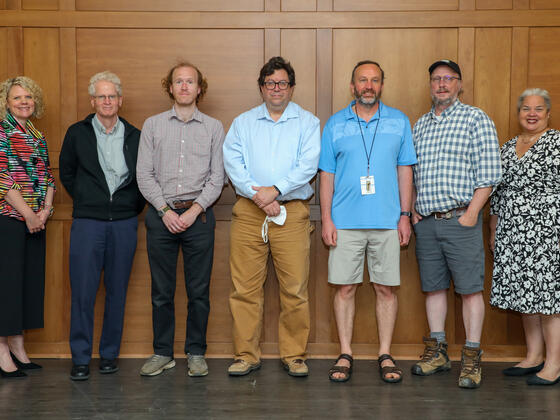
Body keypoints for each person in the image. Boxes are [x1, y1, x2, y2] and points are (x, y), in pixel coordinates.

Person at [223, 56, 320, 377]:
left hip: (291, 214)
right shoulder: (243, 122)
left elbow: (308, 165)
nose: (276, 89)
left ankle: (294, 355)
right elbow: (233, 164)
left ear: (291, 88)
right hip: (249, 213)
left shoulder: (308, 122)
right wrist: (259, 197)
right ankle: (246, 355)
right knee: (245, 290)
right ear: (261, 88)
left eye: (282, 83)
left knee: (294, 290)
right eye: (270, 83)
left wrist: (275, 190)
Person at [320, 60, 416, 383]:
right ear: (353, 86)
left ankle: (385, 353)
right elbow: (326, 176)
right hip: (344, 222)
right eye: (363, 80)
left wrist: (405, 215)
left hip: (388, 222)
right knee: (345, 288)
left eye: (375, 80)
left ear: (381, 86)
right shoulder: (335, 124)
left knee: (385, 289)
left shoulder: (399, 121)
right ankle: (345, 352)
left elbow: (406, 171)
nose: (369, 86)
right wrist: (327, 219)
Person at [411, 59, 501, 388]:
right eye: (436, 79)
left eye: (449, 79)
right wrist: (412, 208)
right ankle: (437, 352)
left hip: (461, 219)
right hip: (427, 224)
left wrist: (472, 214)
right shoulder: (419, 125)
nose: (442, 84)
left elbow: (489, 173)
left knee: (470, 290)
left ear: (459, 84)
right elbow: (410, 174)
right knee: (433, 288)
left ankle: (472, 357)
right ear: (430, 84)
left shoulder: (475, 119)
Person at [136, 61, 225, 378]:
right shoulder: (153, 125)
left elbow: (217, 178)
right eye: (178, 81)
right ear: (169, 87)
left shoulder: (213, 127)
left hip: (198, 219)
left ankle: (196, 352)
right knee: (161, 292)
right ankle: (162, 352)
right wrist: (165, 211)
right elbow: (143, 175)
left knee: (198, 291)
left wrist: (191, 212)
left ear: (200, 88)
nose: (184, 86)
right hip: (161, 218)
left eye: (191, 81)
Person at [59, 71, 145, 381]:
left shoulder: (136, 135)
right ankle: (80, 358)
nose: (107, 101)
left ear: (120, 100)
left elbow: (143, 178)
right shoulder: (77, 133)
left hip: (123, 224)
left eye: (112, 96)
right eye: (101, 96)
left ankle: (110, 354)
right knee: (82, 293)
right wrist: (88, 199)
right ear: (93, 100)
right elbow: (67, 174)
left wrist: (126, 208)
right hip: (88, 224)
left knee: (117, 292)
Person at [489, 88, 560, 386]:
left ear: (548, 113)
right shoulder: (507, 147)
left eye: (538, 109)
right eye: (526, 109)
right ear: (518, 113)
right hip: (512, 230)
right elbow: (497, 192)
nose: (532, 114)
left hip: (548, 229)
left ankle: (554, 364)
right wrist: (493, 229)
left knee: (547, 297)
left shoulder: (557, 142)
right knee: (523, 293)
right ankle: (533, 356)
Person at [0, 76, 55, 378]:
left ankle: (19, 345)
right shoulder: (1, 132)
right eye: (18, 98)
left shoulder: (36, 134)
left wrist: (45, 210)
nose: (24, 102)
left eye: (28, 97)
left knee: (27, 282)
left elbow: (47, 176)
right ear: (6, 102)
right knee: (7, 285)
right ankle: (1, 351)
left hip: (36, 219)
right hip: (8, 218)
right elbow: (3, 179)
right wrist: (28, 214)